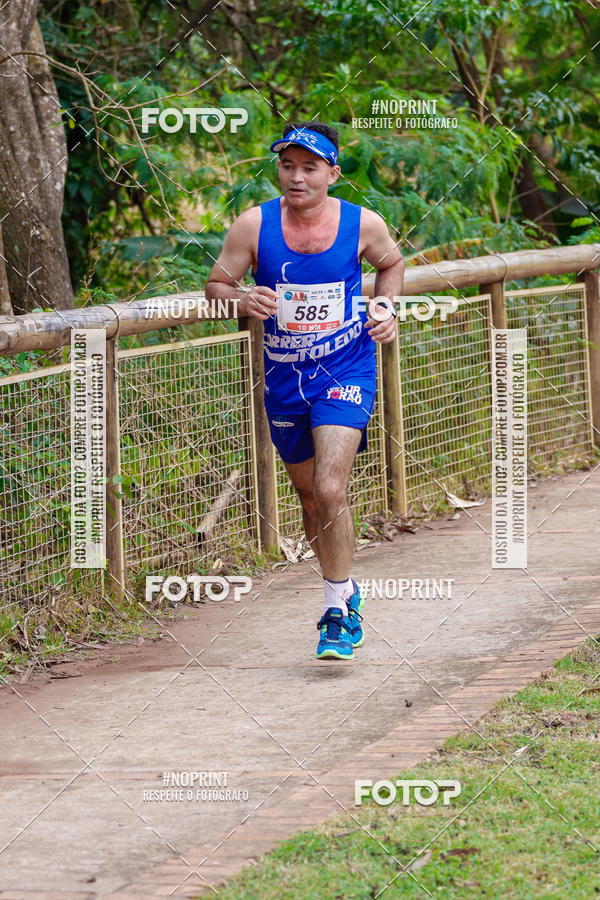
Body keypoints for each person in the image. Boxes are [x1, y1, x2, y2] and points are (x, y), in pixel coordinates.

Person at [205, 121, 404, 660]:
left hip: (347, 369)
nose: (296, 177)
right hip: (285, 380)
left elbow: (391, 264)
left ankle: (338, 611)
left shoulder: (362, 223)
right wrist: (242, 300)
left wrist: (385, 307)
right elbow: (216, 287)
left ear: (332, 174)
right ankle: (345, 588)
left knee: (331, 487)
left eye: (310, 167)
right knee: (311, 498)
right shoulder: (254, 225)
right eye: (288, 165)